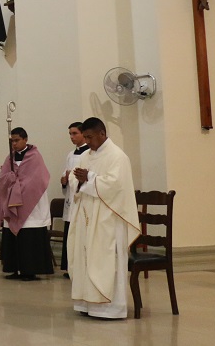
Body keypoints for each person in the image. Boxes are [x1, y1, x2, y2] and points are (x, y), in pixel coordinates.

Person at [68, 117, 140, 319]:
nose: (88, 142)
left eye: (90, 137)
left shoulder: (118, 156)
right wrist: (80, 180)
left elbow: (115, 186)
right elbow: (74, 178)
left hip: (108, 218)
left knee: (105, 259)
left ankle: (110, 308)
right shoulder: (86, 156)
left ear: (102, 133)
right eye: (86, 137)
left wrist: (89, 178)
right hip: (87, 216)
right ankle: (85, 303)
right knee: (83, 256)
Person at [0, 127, 55, 281]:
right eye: (12, 141)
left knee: (29, 238)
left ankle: (30, 270)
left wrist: (20, 184)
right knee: (15, 237)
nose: (14, 144)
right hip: (13, 204)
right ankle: (15, 268)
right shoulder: (10, 158)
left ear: (25, 139)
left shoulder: (35, 156)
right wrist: (10, 179)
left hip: (31, 203)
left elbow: (39, 178)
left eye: (17, 140)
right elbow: (2, 178)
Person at [59, 121, 89, 278]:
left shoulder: (89, 153)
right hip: (70, 199)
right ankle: (70, 267)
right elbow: (66, 173)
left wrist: (74, 177)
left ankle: (81, 267)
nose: (71, 136)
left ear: (83, 133)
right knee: (70, 234)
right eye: (70, 134)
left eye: (75, 133)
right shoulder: (71, 154)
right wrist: (64, 180)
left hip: (81, 198)